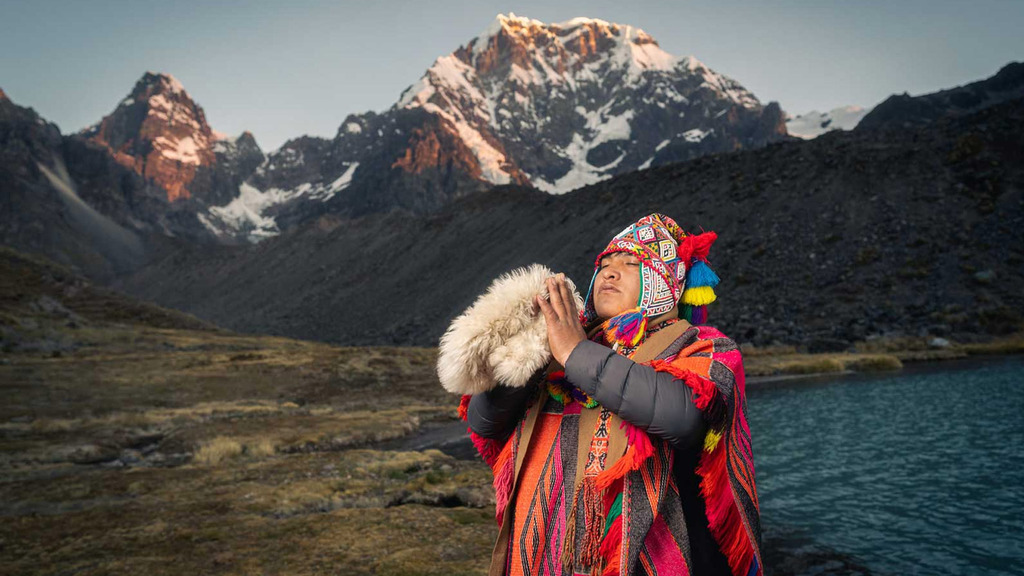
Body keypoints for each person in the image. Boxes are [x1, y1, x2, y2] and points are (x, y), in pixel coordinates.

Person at [460, 213, 763, 576]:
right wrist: (528, 355)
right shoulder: (557, 345)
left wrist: (575, 353)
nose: (609, 271)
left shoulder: (704, 347)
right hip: (537, 555)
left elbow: (683, 417)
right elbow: (485, 422)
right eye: (604, 264)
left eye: (631, 263)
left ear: (665, 282)